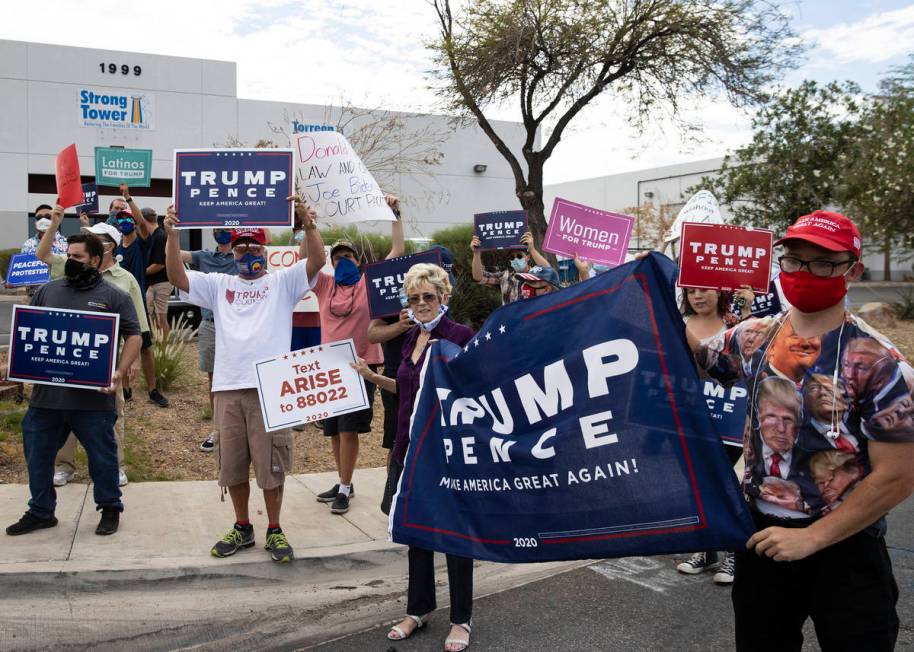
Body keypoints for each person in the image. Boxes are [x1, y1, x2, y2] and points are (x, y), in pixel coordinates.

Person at [688, 210, 914, 651]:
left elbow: (899, 473)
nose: (805, 272)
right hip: (762, 539)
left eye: (823, 262)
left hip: (847, 545)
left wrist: (812, 537)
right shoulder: (750, 337)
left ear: (853, 270)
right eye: (793, 259)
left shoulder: (881, 362)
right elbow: (694, 357)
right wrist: (644, 294)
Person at [165, 199, 315, 562]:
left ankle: (275, 530)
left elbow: (318, 261)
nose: (248, 252)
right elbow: (176, 277)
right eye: (241, 247)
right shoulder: (218, 284)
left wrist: (309, 225)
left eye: (254, 246)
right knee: (232, 464)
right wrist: (171, 236)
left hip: (271, 389)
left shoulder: (283, 282)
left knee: (272, 463)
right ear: (232, 251)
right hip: (229, 387)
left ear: (265, 250)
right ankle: (242, 526)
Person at [352, 263, 475, 652]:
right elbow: (409, 390)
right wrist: (373, 379)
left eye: (429, 297)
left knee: (455, 536)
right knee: (415, 532)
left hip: (445, 454)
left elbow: (473, 395)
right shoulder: (410, 339)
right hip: (408, 450)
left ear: (444, 298)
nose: (422, 304)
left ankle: (461, 620)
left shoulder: (459, 337)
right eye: (415, 298)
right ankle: (419, 609)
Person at [3, 215, 141, 537]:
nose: (71, 262)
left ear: (95, 259)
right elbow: (29, 331)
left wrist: (119, 372)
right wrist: (18, 361)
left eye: (78, 257)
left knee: (103, 459)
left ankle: (109, 508)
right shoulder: (48, 292)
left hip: (93, 399)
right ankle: (40, 511)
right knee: (38, 457)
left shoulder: (114, 295)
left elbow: (134, 335)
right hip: (46, 399)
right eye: (69, 255)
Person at [34, 209, 150, 489]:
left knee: (114, 416)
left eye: (95, 238)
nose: (89, 241)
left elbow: (137, 327)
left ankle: (117, 465)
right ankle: (64, 466)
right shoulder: (69, 267)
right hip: (67, 359)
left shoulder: (124, 280)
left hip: (107, 365)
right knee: (65, 412)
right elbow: (43, 254)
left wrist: (130, 363)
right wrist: (55, 225)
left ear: (106, 248)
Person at [304, 194, 404, 515]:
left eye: (348, 255)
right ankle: (343, 480)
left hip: (362, 366)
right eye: (338, 256)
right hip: (330, 368)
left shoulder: (368, 285)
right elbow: (307, 258)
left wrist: (395, 214)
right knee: (334, 431)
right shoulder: (324, 287)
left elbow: (397, 252)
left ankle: (345, 488)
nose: (342, 259)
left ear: (358, 261)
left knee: (349, 429)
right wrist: (310, 224)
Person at [675, 285, 753, 584]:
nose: (697, 296)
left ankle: (735, 552)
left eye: (704, 290)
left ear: (720, 293)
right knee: (698, 483)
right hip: (688, 418)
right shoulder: (675, 322)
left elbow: (744, 365)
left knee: (725, 482)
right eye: (691, 291)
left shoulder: (735, 326)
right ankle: (706, 549)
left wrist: (747, 311)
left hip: (727, 420)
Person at [104, 185, 169, 409]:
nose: (124, 222)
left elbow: (142, 224)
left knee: (145, 348)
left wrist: (128, 198)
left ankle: (153, 390)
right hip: (114, 304)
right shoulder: (115, 247)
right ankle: (125, 389)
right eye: (119, 218)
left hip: (136, 302)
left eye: (127, 218)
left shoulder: (141, 242)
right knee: (116, 346)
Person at [176, 229, 238, 452]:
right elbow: (175, 255)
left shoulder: (242, 255)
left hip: (237, 324)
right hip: (211, 324)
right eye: (217, 229)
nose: (221, 232)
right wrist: (171, 232)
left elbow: (266, 242)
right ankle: (219, 428)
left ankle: (238, 428)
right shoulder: (204, 256)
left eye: (225, 229)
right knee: (214, 379)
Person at [471, 231, 553, 304]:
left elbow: (549, 272)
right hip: (509, 320)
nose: (516, 259)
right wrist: (476, 253)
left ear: (528, 257)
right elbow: (478, 277)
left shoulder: (537, 275)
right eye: (512, 258)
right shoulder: (504, 276)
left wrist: (532, 249)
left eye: (519, 256)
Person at [142, 207, 172, 341]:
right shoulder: (152, 236)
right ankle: (156, 344)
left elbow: (159, 264)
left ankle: (164, 347)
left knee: (161, 317)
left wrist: (139, 272)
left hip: (162, 282)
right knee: (150, 316)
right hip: (151, 282)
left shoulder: (160, 236)